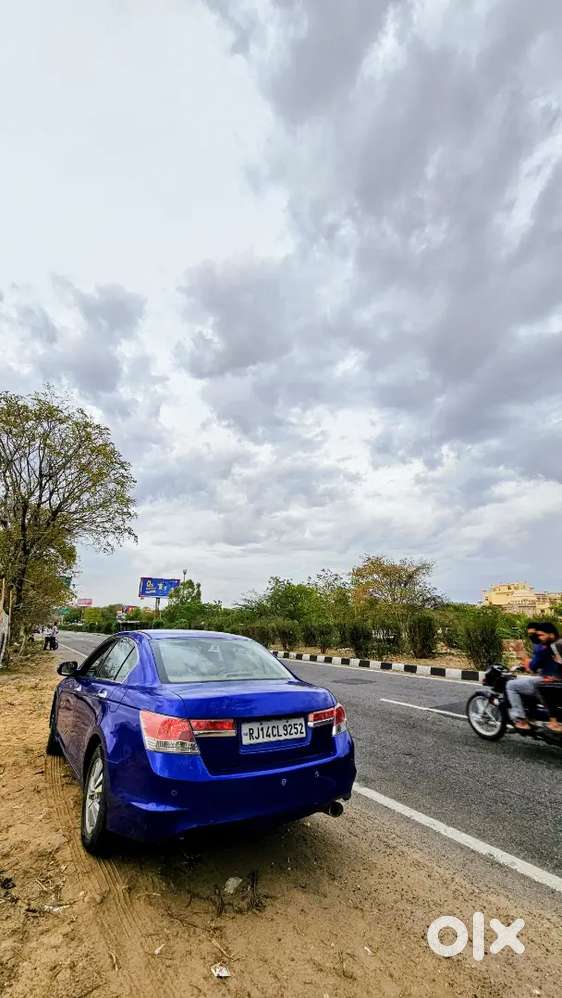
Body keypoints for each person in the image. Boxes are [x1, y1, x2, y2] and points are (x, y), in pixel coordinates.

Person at [507, 622, 562, 732]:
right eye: (531, 635)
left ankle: (521, 720)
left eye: (537, 634)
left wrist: (520, 653)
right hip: (551, 679)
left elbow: (532, 668)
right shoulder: (553, 644)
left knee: (511, 685)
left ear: (550, 634)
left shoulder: (546, 647)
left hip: (549, 681)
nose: (535, 637)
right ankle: (532, 717)